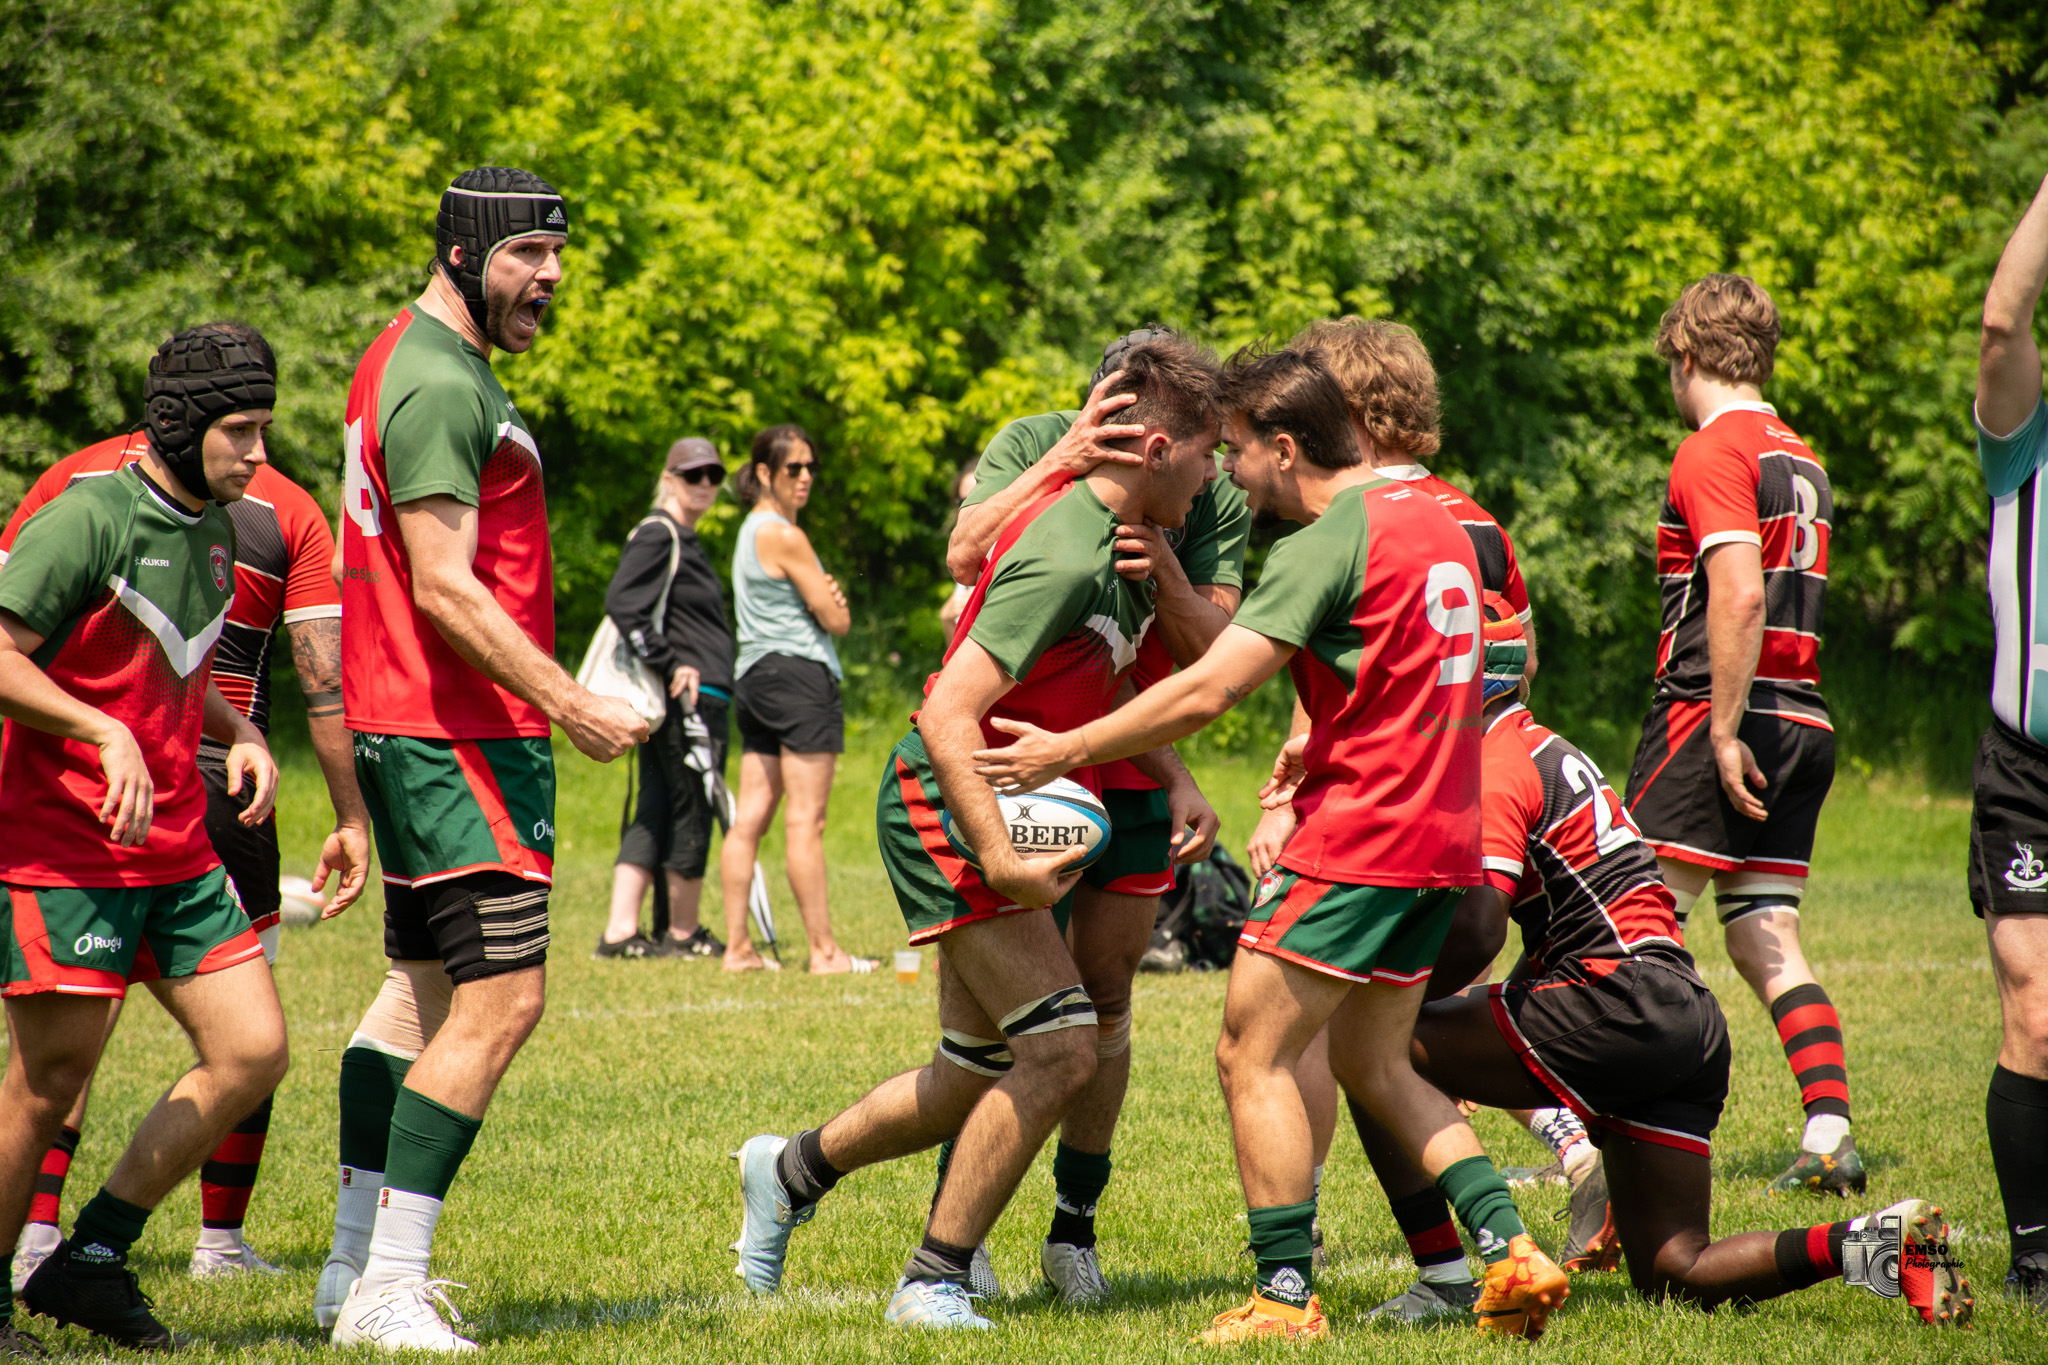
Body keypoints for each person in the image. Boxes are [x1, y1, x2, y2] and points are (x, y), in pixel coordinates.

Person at [974, 347, 1565, 1344]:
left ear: (1285, 448)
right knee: (1378, 1062)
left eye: (1237, 450)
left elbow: (1212, 686)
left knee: (1250, 1053)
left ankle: (1283, 1299)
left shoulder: (1325, 541)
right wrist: (1325, 732)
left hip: (1357, 839)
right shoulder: (1434, 518)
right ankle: (1511, 1247)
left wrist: (1066, 748)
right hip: (1443, 838)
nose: (1225, 472)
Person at [728, 335, 1220, 1331]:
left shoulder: (1125, 540)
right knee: (1063, 1049)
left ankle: (787, 1172)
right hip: (949, 803)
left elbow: (1112, 680)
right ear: (1157, 448)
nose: (1214, 478)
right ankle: (933, 1280)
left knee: (973, 1067)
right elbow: (950, 712)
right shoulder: (1066, 548)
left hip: (993, 797)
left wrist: (1170, 775)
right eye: (1208, 455)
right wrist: (999, 855)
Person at [1349, 598, 1970, 1327]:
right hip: (1682, 1015)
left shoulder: (1493, 761)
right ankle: (1877, 1240)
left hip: (1615, 998)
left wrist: (1388, 995)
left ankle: (1447, 1277)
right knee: (1678, 1271)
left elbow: (1480, 928)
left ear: (1458, 679)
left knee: (1368, 1045)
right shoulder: (1543, 746)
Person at [319, 166, 646, 1353]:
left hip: (414, 724)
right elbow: (443, 585)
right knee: (503, 1000)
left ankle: (349, 1269)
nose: (548, 276)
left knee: (418, 991)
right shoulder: (439, 378)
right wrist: (572, 702)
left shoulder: (411, 359)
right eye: (525, 255)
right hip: (456, 733)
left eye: (556, 253)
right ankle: (388, 1289)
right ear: (463, 251)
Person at [2, 336, 371, 1291]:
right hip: (70, 843)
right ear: (179, 423)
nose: (258, 452)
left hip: (177, 847)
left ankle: (91, 1257)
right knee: (48, 1083)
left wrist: (240, 729)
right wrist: (102, 731)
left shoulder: (215, 532)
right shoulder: (89, 515)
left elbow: (174, 661)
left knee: (253, 1050)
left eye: (263, 429)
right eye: (240, 430)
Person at [1244, 315, 1546, 1269]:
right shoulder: (1474, 521)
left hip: (1378, 825)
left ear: (1344, 412)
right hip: (1472, 824)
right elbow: (1517, 662)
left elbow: (1344, 664)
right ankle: (1488, 1247)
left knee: (1282, 1044)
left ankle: (1297, 1260)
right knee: (1376, 1053)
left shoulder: (1360, 520)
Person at [940, 329, 1231, 1301]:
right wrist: (1060, 466)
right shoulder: (1037, 442)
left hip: (1131, 758)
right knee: (998, 1018)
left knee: (1104, 998)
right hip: (1008, 753)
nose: (1211, 467)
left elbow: (1216, 654)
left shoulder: (1207, 484)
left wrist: (1167, 570)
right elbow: (963, 556)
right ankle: (960, 1232)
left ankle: (1073, 1230)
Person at [1620, 275, 1854, 1195]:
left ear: (1686, 356)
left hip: (1721, 712)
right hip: (1802, 713)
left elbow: (1741, 593)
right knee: (1764, 932)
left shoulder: (1711, 449)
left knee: (1635, 926)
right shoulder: (1802, 456)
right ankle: (1829, 1132)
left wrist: (1720, 730)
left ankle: (1623, 1141)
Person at [1971, 169, 2048, 1310]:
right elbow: (2001, 319)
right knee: (2034, 1008)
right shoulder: (2022, 449)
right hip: (2027, 767)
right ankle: (2037, 1253)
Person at [720, 424, 869, 975]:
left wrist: (823, 598)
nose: (805, 477)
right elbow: (837, 620)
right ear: (764, 473)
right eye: (793, 468)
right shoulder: (785, 535)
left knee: (749, 820)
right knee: (807, 821)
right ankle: (825, 953)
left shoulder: (747, 532)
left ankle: (738, 949)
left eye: (811, 467)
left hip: (754, 679)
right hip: (799, 679)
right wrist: (832, 600)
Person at [595, 437, 735, 960]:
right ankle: (682, 931)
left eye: (713, 475)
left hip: (686, 699)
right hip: (687, 699)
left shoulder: (682, 538)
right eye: (693, 474)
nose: (705, 484)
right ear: (669, 479)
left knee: (655, 806)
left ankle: (621, 932)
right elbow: (622, 603)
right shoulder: (660, 533)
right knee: (691, 807)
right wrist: (672, 662)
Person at [939, 460, 977, 645]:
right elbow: (955, 653)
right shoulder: (969, 558)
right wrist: (947, 619)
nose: (968, 509)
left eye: (977, 496)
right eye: (962, 502)